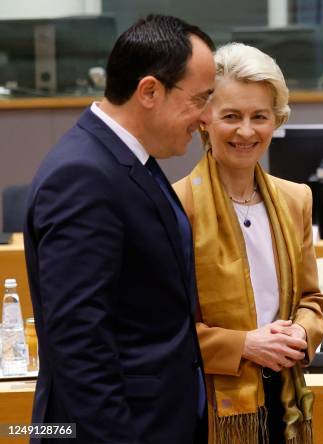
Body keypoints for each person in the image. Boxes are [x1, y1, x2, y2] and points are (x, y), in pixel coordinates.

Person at [23, 15, 215, 444]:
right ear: (149, 91)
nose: (205, 118)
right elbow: (80, 346)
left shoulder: (131, 161)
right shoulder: (82, 175)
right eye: (200, 99)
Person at [173, 43, 323, 444]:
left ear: (276, 121)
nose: (246, 131)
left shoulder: (296, 200)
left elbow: (312, 300)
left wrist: (303, 334)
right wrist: (244, 345)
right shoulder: (174, 206)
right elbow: (164, 328)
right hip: (207, 402)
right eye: (231, 116)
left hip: (285, 396)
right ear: (204, 119)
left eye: (259, 116)